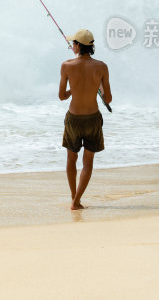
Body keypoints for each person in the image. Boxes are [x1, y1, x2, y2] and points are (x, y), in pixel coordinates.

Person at [58, 28, 112, 210]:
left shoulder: (66, 65)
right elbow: (108, 98)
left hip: (73, 119)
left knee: (71, 159)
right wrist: (95, 88)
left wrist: (75, 88)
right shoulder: (102, 66)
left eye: (73, 43)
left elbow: (62, 96)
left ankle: (74, 198)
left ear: (78, 46)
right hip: (92, 119)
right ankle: (76, 201)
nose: (72, 45)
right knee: (88, 162)